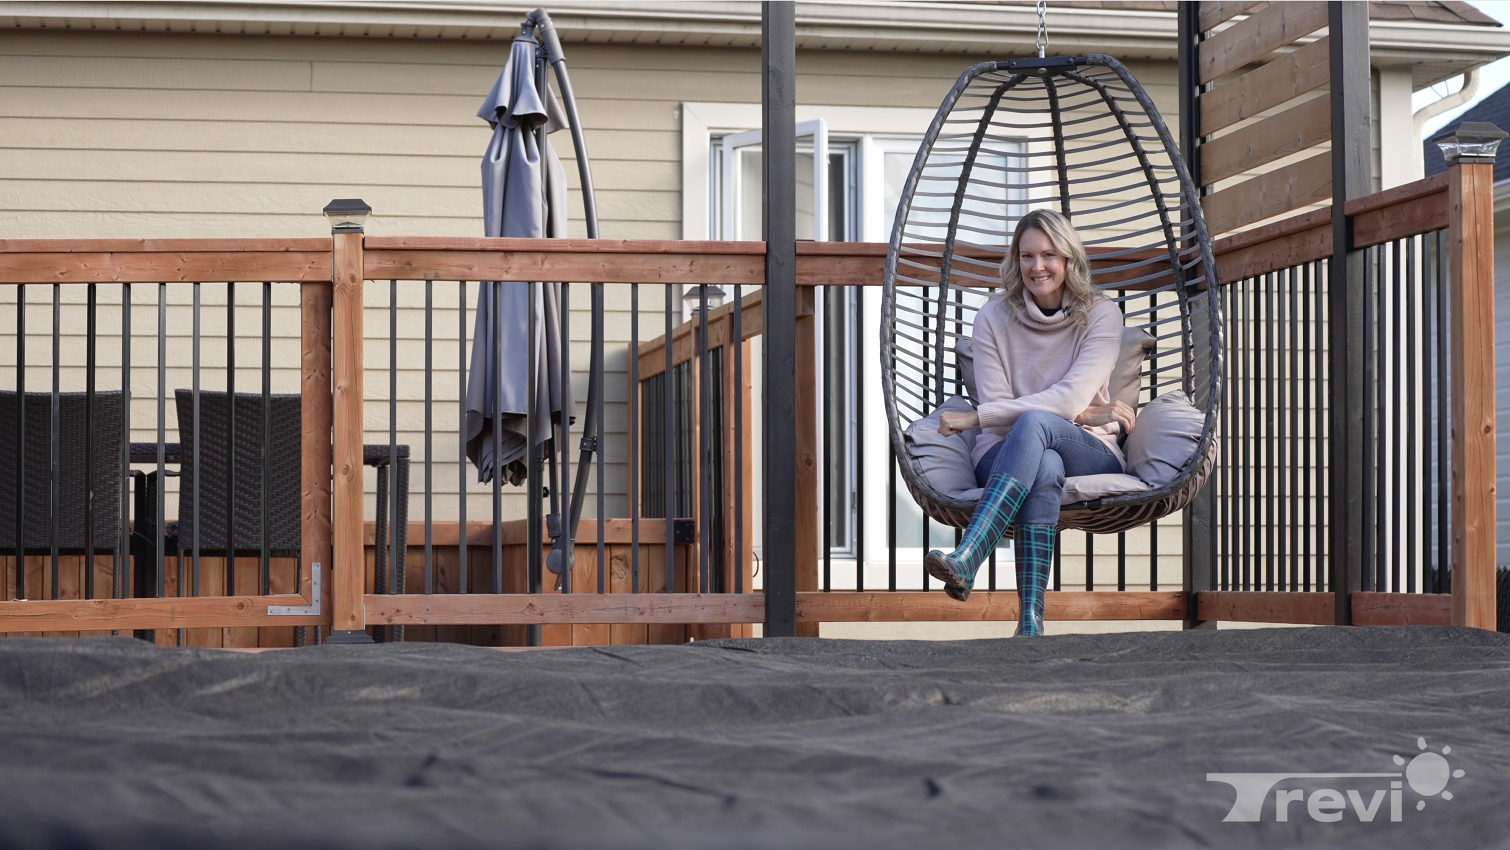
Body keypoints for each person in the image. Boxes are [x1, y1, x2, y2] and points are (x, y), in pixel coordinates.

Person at [925, 208, 1132, 636]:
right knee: (1045, 462)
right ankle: (1031, 622)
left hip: (1089, 448)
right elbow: (1036, 407)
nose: (1037, 267)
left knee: (1038, 424)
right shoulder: (993, 318)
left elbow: (1066, 397)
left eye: (1049, 255)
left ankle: (971, 553)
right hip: (1003, 450)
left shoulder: (1101, 315)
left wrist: (977, 416)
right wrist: (1079, 412)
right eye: (1027, 256)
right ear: (1015, 261)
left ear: (1069, 259)